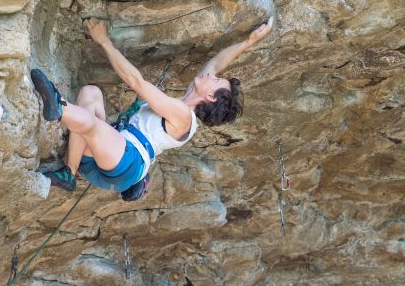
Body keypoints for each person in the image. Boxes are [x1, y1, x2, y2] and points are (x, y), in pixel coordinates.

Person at [32, 16, 274, 200]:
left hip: (128, 161)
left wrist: (104, 41)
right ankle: (69, 173)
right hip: (105, 155)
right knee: (90, 93)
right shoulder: (184, 103)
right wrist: (248, 42)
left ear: (210, 96)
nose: (212, 74)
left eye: (217, 80)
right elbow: (216, 62)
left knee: (92, 126)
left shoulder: (183, 118)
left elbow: (136, 82)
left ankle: (58, 106)